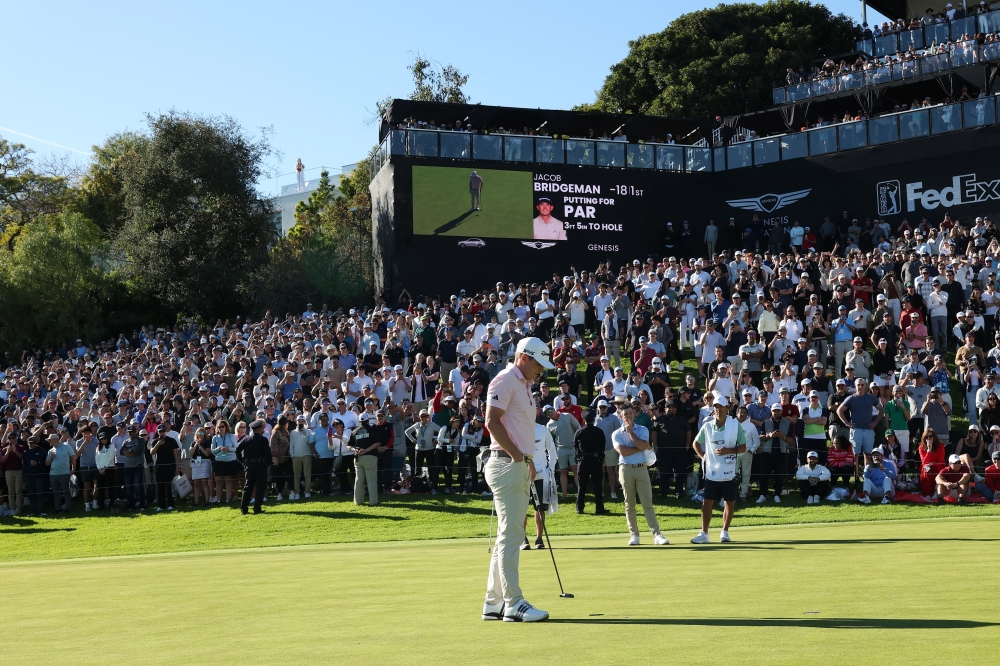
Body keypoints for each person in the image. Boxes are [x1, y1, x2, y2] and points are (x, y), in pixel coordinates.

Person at [482, 337, 553, 623]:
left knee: (506, 537)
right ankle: (513, 603)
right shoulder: (505, 380)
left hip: (516, 464)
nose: (542, 371)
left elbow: (516, 426)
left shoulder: (523, 384)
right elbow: (492, 421)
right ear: (524, 357)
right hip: (505, 464)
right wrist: (516, 457)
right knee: (512, 538)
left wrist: (527, 460)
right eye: (538, 364)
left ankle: (493, 603)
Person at [691, 394, 746, 544]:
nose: (718, 410)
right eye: (715, 407)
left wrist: (728, 451)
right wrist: (703, 457)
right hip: (712, 471)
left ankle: (725, 532)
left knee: (729, 502)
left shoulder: (735, 425)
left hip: (730, 471)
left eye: (721, 407)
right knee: (707, 502)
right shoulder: (707, 426)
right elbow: (696, 443)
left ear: (727, 408)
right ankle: (704, 533)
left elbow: (743, 447)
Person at [614, 404, 670, 546]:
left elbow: (645, 445)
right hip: (625, 469)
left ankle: (657, 534)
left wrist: (631, 433)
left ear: (634, 414)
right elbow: (623, 451)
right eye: (625, 414)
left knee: (647, 503)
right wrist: (638, 447)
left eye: (630, 413)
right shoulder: (616, 433)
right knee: (629, 504)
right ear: (621, 416)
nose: (628, 416)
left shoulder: (643, 429)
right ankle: (634, 535)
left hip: (641, 468)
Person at [523, 406, 558, 550]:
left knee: (540, 508)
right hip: (522, 475)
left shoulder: (543, 430)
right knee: (522, 508)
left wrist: (550, 468)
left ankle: (539, 539)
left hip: (541, 475)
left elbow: (552, 451)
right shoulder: (519, 429)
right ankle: (523, 539)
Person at [573, 408, 608, 514]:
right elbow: (602, 446)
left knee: (582, 485)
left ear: (584, 420)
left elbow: (575, 446)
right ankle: (599, 507)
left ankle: (580, 508)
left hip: (582, 460)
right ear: (593, 420)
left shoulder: (579, 432)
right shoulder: (599, 431)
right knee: (597, 485)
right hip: (595, 459)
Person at [757, 404, 793, 503]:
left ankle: (777, 494)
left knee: (779, 475)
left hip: (781, 452)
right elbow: (761, 438)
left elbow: (790, 439)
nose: (776, 413)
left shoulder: (787, 423)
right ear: (771, 412)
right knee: (764, 474)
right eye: (774, 411)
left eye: (778, 411)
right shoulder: (766, 423)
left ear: (781, 411)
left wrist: (782, 436)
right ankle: (763, 495)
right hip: (767, 452)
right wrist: (770, 435)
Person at [237, 420, 273, 515]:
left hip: (249, 466)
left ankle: (244, 508)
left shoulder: (246, 440)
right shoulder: (263, 440)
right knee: (260, 487)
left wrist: (242, 461)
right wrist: (269, 463)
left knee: (248, 487)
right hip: (260, 466)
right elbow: (268, 454)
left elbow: (237, 450)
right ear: (260, 429)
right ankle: (257, 508)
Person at [349, 413, 380, 505]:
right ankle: (373, 502)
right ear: (368, 420)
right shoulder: (372, 429)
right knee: (371, 480)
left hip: (358, 458)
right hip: (370, 457)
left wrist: (355, 450)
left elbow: (348, 445)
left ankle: (358, 501)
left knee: (359, 480)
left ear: (359, 421)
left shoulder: (354, 431)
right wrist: (366, 450)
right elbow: (378, 443)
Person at [149, 425, 180, 511]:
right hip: (159, 467)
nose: (162, 433)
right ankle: (161, 506)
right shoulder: (155, 441)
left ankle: (171, 505)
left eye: (163, 431)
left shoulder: (171, 440)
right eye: (160, 431)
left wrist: (177, 467)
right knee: (160, 487)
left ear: (165, 431)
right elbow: (152, 452)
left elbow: (176, 454)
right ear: (157, 432)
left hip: (170, 466)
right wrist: (158, 444)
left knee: (169, 486)